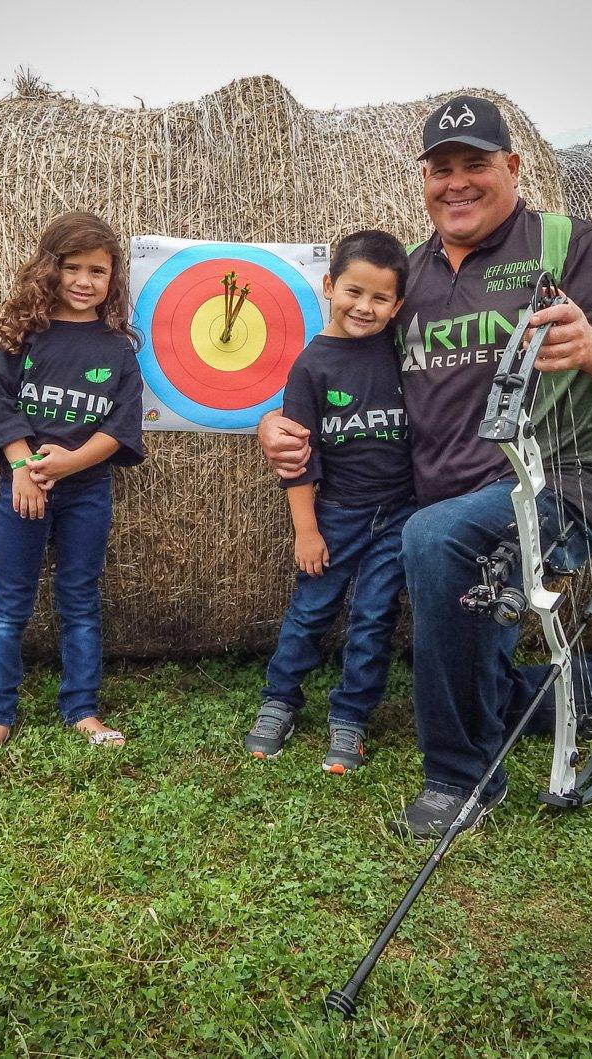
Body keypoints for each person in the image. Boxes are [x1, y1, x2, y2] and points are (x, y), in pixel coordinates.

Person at [259, 96, 592, 838]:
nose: (457, 183)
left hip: (555, 490)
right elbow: (341, 368)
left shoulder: (566, 246)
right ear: (423, 179)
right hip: (448, 511)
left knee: (432, 541)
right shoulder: (407, 278)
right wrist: (277, 423)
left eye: (475, 164)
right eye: (440, 168)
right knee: (480, 691)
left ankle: (461, 778)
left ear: (511, 166)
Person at [0, 211, 144, 757]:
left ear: (113, 279)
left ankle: (82, 709)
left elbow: (119, 427)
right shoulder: (24, 337)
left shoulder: (117, 350)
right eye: (73, 268)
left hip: (86, 490)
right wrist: (23, 468)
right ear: (50, 270)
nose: (86, 281)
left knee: (80, 600)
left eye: (99, 271)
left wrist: (68, 465)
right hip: (22, 489)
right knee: (10, 602)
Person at [244, 231, 414, 775]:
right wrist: (307, 530)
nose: (364, 307)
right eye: (353, 291)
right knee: (312, 609)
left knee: (373, 616)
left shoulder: (402, 355)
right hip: (337, 512)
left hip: (400, 514)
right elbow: (298, 458)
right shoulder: (312, 366)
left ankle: (351, 716)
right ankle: (280, 699)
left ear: (398, 304)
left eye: (380, 298)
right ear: (328, 286)